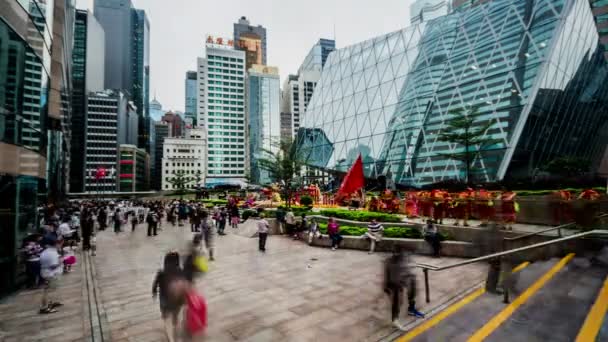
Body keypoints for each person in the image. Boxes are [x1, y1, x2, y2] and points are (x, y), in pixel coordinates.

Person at [152, 252, 190, 342]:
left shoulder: (161, 273)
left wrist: (154, 293)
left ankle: (171, 339)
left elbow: (154, 286)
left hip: (164, 301)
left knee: (167, 320)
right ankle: (178, 337)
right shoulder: (181, 272)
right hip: (177, 301)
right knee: (177, 319)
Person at [383, 247, 424, 329]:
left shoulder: (403, 259)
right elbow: (387, 274)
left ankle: (411, 309)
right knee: (398, 301)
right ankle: (395, 320)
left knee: (412, 291)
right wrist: (386, 285)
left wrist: (410, 276)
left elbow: (406, 268)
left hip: (404, 279)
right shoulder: (389, 261)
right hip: (395, 282)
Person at [39, 236, 64, 314]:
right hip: (51, 274)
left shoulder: (45, 252)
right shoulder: (51, 253)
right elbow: (53, 265)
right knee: (47, 291)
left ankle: (49, 303)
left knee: (49, 289)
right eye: (57, 243)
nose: (58, 244)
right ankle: (44, 308)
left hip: (46, 273)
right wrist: (61, 260)